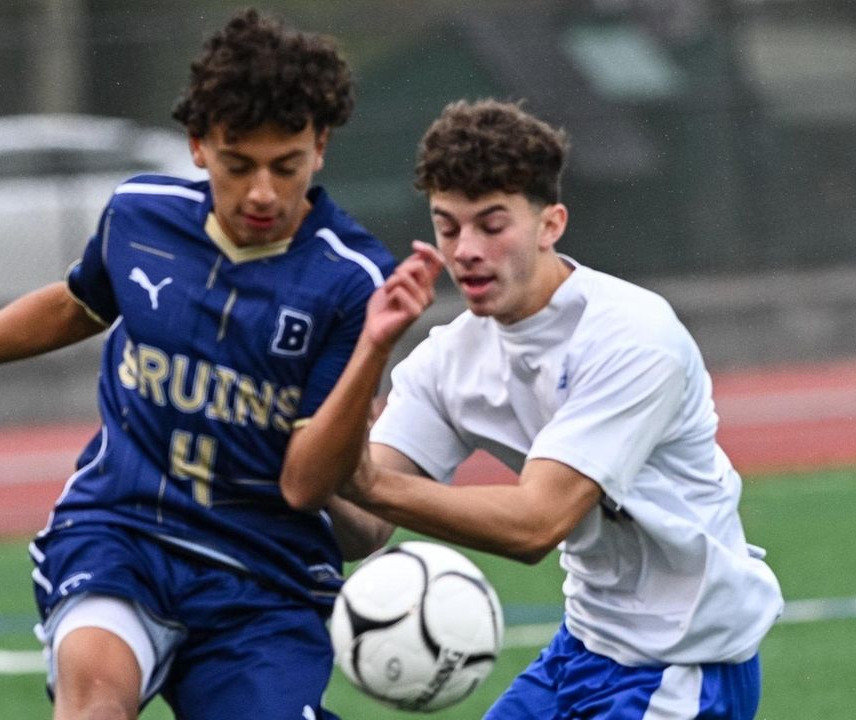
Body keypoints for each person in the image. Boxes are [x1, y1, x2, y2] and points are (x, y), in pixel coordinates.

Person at [0, 9, 396, 719]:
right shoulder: (138, 217)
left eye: (287, 166)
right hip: (121, 530)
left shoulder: (352, 281)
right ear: (196, 145)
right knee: (93, 703)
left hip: (261, 572)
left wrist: (372, 359)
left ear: (322, 147)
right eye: (237, 165)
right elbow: (72, 306)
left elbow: (315, 484)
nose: (262, 194)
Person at [325, 99, 785, 719]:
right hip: (584, 649)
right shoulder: (448, 359)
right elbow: (364, 527)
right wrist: (318, 436)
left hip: (682, 667)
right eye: (448, 226)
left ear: (551, 224)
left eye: (492, 225)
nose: (465, 250)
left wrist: (362, 481)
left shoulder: (632, 337)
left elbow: (535, 523)